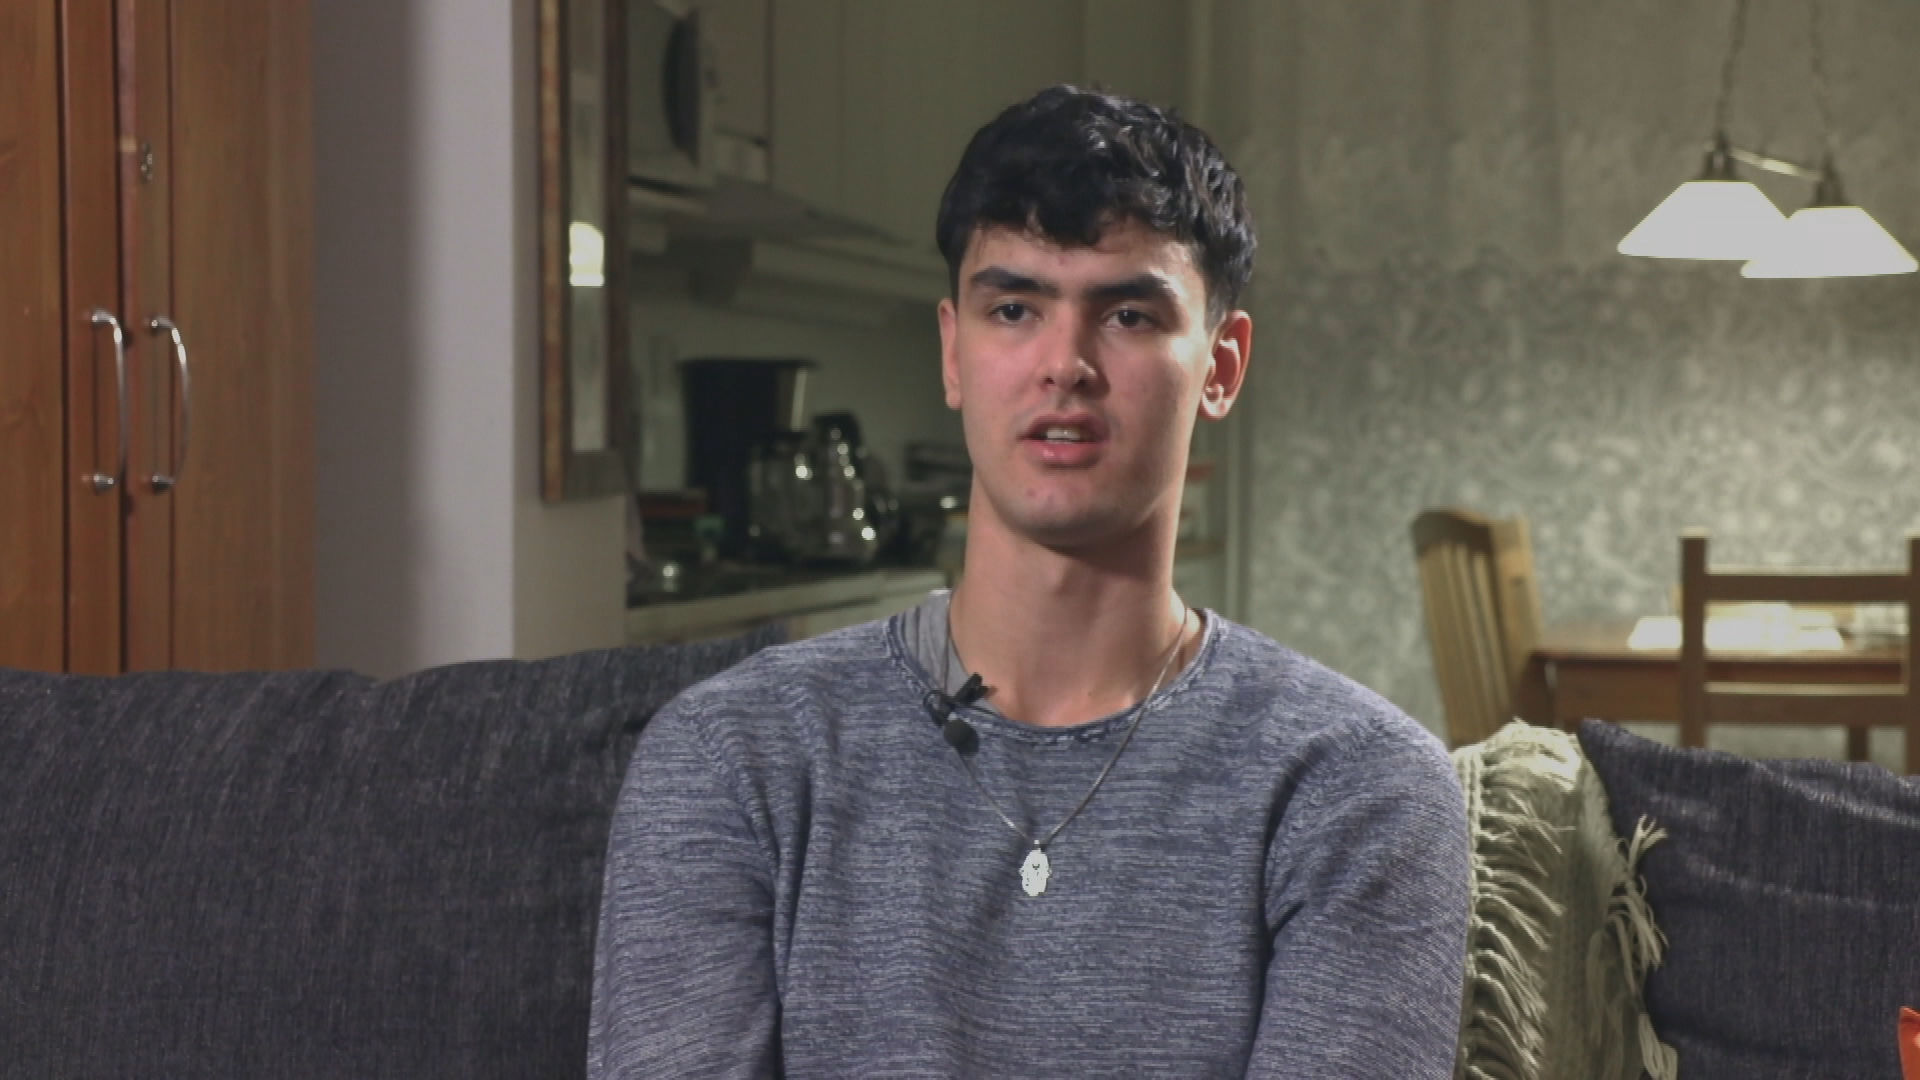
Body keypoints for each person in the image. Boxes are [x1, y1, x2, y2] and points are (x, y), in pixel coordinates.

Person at [588, 85, 1469, 1078]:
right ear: (953, 352)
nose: (1066, 364)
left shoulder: (1357, 786)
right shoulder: (733, 759)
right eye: (1014, 309)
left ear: (1221, 368)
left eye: (1128, 314)